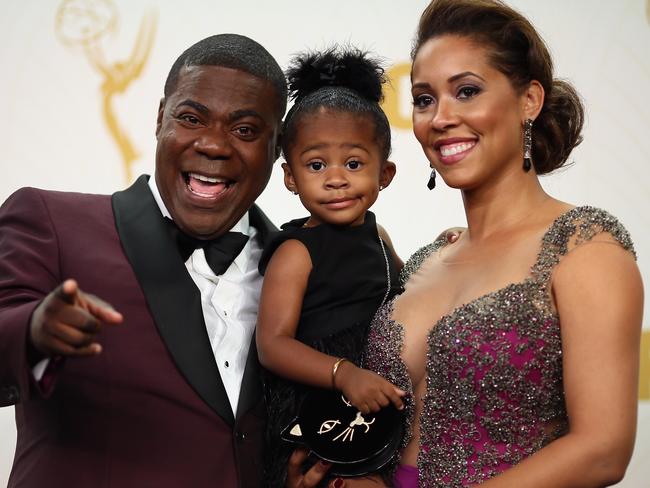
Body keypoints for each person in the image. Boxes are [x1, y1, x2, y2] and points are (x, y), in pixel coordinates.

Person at [361, 0, 644, 487]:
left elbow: (603, 451)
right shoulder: (428, 259)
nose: (440, 117)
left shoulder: (585, 249)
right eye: (425, 99)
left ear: (529, 100)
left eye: (466, 91)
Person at [0, 33, 295, 487]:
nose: (214, 145)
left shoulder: (296, 266)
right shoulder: (51, 221)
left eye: (245, 130)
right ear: (161, 119)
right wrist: (34, 331)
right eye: (192, 118)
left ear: (277, 150)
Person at [255, 48, 405, 487]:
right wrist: (344, 374)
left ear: (386, 173)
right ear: (290, 177)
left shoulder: (379, 239)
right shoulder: (296, 251)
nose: (335, 178)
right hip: (317, 410)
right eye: (316, 165)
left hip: (378, 400)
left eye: (354, 164)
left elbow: (410, 289)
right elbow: (272, 345)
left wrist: (447, 247)